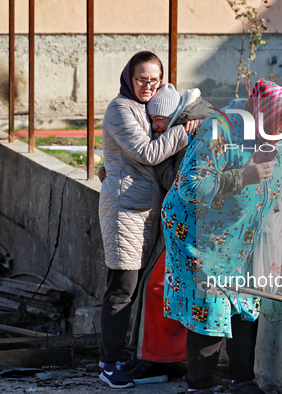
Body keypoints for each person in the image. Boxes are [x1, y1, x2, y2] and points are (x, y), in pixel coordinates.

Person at [161, 79, 282, 394]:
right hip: (199, 235)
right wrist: (241, 177)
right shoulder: (218, 129)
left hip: (243, 236)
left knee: (247, 301)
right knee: (211, 303)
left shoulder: (273, 133)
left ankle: (243, 380)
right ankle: (198, 385)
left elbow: (274, 190)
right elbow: (190, 187)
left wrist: (278, 235)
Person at [98, 51, 194, 389]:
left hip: (145, 215)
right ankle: (109, 363)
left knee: (135, 290)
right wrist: (183, 130)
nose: (148, 86)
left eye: (154, 80)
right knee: (121, 290)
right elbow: (147, 153)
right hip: (125, 213)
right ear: (129, 78)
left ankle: (131, 357)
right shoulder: (120, 109)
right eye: (142, 79)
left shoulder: (148, 107)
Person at [126, 83, 213, 379]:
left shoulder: (193, 128)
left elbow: (180, 181)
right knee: (160, 286)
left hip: (195, 228)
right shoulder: (184, 126)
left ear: (171, 114)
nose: (154, 126)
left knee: (159, 286)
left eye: (157, 119)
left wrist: (163, 154)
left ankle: (162, 361)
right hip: (183, 227)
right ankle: (156, 357)